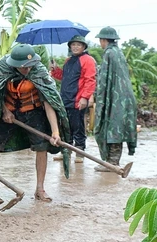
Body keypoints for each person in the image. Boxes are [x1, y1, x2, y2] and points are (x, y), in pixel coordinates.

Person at [0, 44, 69, 202]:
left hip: (33, 111)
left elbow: (50, 102)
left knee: (42, 146)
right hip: (7, 110)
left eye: (29, 67)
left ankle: (40, 189)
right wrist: (5, 111)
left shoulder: (39, 70)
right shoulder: (3, 67)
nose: (26, 70)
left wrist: (55, 132)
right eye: (22, 68)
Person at [92, 27, 137, 168]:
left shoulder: (109, 53)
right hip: (126, 97)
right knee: (117, 128)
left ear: (103, 40)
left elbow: (104, 80)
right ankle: (113, 162)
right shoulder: (119, 53)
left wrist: (99, 99)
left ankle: (111, 163)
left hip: (114, 98)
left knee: (109, 128)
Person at [49, 34, 96, 160]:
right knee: (65, 126)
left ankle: (80, 152)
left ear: (83, 46)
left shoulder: (88, 60)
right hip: (65, 99)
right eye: (73, 45)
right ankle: (66, 151)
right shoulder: (68, 60)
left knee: (78, 126)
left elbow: (90, 80)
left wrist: (85, 97)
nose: (75, 47)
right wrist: (55, 70)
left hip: (78, 99)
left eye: (78, 45)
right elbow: (64, 77)